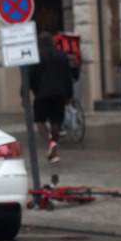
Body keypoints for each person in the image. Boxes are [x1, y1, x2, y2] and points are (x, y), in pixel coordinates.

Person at [29, 31, 74, 162]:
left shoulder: (37, 56)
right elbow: (68, 76)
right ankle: (54, 148)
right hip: (59, 94)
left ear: (40, 43)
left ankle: (50, 141)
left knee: (39, 121)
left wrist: (24, 93)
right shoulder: (62, 55)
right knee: (56, 121)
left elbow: (30, 76)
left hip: (42, 94)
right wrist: (69, 95)